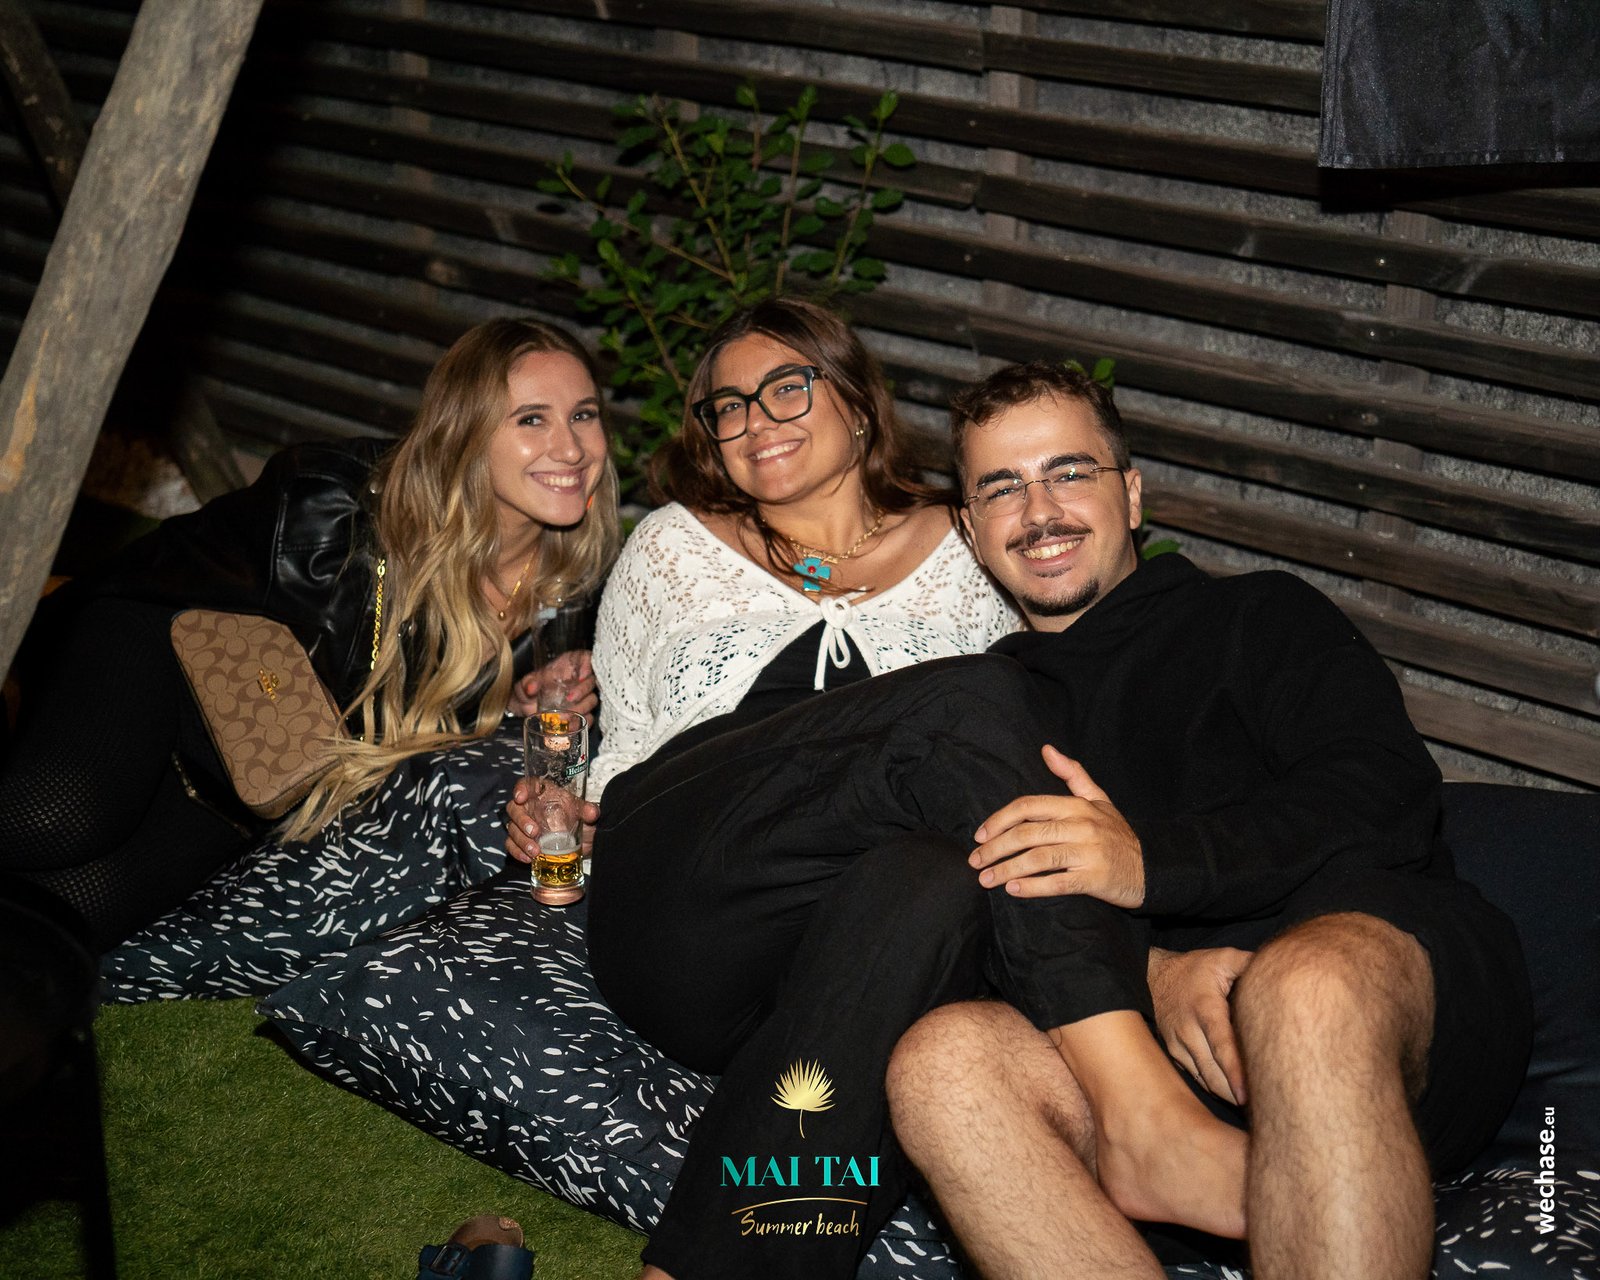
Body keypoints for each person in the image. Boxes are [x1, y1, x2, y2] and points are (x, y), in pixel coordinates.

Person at [881, 361, 1534, 1279]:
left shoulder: (1257, 615)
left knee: (1301, 987)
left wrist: (1149, 863)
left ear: (1132, 494)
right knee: (942, 1065)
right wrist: (1147, 971)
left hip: (1370, 984)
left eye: (1069, 472)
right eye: (1002, 488)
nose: (1040, 511)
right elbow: (967, 918)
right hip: (1153, 1073)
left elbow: (1384, 793)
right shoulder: (980, 712)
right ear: (970, 530)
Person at [500, 297, 1023, 1280]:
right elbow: (629, 751)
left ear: (857, 401)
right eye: (729, 407)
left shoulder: (966, 549)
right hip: (688, 914)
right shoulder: (673, 548)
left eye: (787, 387)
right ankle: (1112, 1038)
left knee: (932, 881)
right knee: (970, 699)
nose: (755, 421)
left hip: (845, 957)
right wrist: (569, 810)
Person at [0, 316, 620, 953]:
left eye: (584, 415)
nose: (572, 449)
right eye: (532, 419)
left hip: (254, 782)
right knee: (54, 818)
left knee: (60, 919)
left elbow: (449, 757)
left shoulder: (580, 592)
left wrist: (515, 707)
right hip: (165, 672)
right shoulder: (330, 507)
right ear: (463, 429)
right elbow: (151, 570)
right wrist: (28, 667)